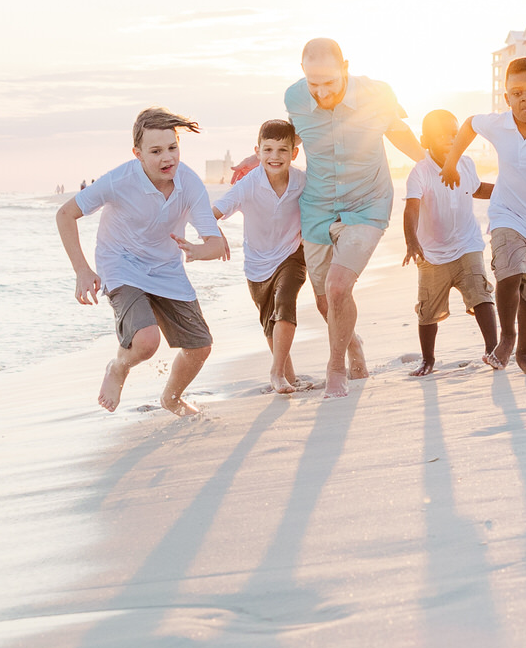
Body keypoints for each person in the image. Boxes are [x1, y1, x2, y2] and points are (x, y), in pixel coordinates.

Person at [233, 38, 424, 398]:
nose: (320, 92)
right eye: (312, 83)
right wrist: (255, 158)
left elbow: (399, 133)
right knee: (324, 299)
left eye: (329, 83)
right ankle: (353, 346)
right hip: (318, 207)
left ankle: (335, 369)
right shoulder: (295, 97)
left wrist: (433, 164)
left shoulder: (377, 94)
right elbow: (296, 135)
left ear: (345, 69)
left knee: (338, 287)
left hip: (368, 203)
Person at [56, 107, 227, 415]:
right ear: (138, 153)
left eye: (173, 148)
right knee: (147, 342)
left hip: (166, 267)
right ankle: (119, 366)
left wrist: (199, 251)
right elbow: (65, 214)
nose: (168, 158)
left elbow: (214, 243)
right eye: (156, 151)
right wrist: (82, 270)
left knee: (200, 347)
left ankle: (171, 397)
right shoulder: (118, 180)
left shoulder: (190, 184)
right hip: (120, 263)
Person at [440, 57, 526, 374]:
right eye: (517, 92)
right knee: (509, 270)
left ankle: (524, 354)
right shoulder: (499, 124)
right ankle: (507, 337)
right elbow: (470, 123)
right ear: (507, 97)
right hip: (506, 214)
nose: (525, 98)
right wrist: (451, 162)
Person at [213, 120, 308, 395]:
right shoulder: (247, 185)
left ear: (294, 153)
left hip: (292, 254)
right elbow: (211, 214)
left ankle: (276, 374)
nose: (275, 157)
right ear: (258, 151)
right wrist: (217, 234)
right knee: (270, 322)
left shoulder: (302, 180)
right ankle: (289, 375)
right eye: (268, 150)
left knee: (285, 303)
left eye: (282, 150)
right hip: (256, 266)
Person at [403, 110, 496, 375]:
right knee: (428, 310)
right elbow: (411, 207)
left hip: (467, 244)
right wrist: (412, 241)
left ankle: (493, 349)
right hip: (432, 253)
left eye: (454, 135)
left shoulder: (466, 163)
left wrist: (506, 190)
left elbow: (476, 188)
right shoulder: (420, 172)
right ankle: (428, 360)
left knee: (481, 293)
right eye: (441, 135)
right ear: (425, 140)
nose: (449, 139)